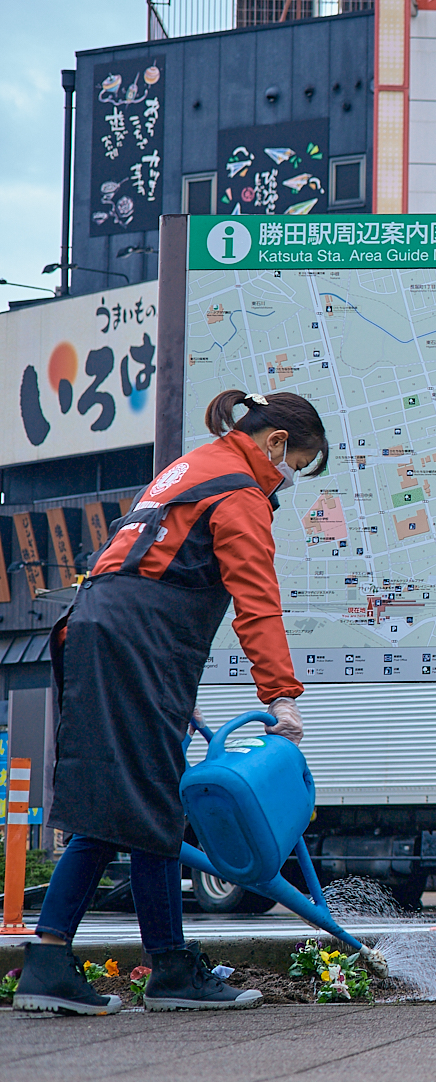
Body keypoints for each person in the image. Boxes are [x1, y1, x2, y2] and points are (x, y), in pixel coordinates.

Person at [12, 390, 328, 1015]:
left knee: (143, 799)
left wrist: (170, 692)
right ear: (275, 444)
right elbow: (256, 601)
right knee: (130, 802)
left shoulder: (195, 466)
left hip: (107, 630)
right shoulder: (239, 493)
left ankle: (165, 965)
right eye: (299, 465)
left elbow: (147, 564)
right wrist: (283, 697)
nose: (290, 481)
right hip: (136, 642)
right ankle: (66, 964)